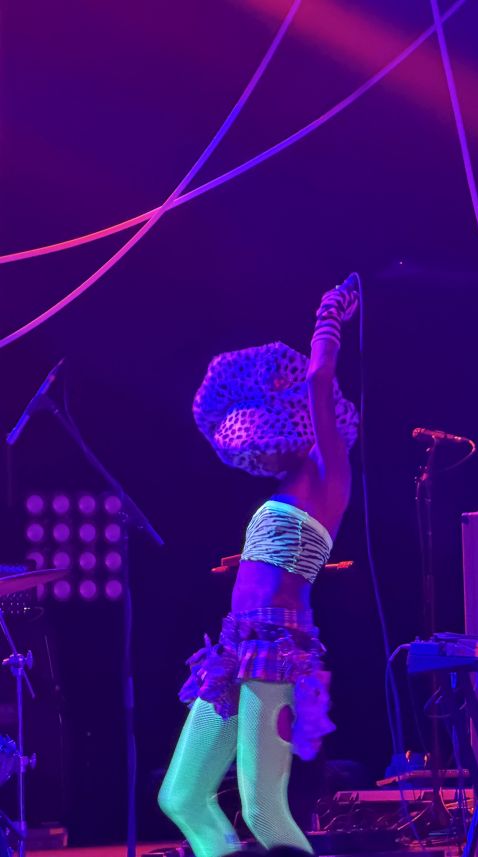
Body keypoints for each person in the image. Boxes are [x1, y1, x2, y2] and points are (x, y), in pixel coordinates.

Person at [158, 281, 360, 857]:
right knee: (182, 796)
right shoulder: (285, 488)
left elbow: (318, 378)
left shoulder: (328, 472)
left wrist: (328, 315)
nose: (261, 453)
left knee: (263, 809)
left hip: (276, 646)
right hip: (235, 646)